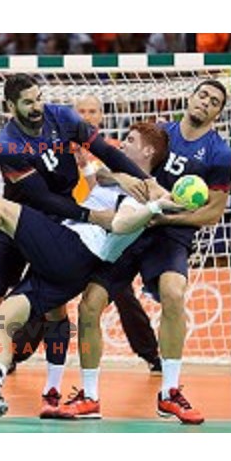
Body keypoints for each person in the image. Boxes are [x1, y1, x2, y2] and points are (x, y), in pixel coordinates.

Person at [0, 122, 175, 421]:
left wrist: (155, 207)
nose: (122, 145)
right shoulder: (119, 180)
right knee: (1, 320)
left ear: (148, 151)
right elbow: (102, 176)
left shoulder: (143, 195)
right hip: (70, 270)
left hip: (72, 247)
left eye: (130, 140)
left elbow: (122, 223)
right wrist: (118, 176)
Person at [0, 74, 151, 417]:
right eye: (28, 102)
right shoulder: (8, 144)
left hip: (60, 227)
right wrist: (93, 212)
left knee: (56, 311)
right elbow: (42, 197)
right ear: (11, 106)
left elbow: (104, 162)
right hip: (21, 224)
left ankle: (51, 390)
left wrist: (144, 182)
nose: (36, 105)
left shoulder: (66, 122)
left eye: (39, 97)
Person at [56, 80, 231, 424]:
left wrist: (166, 217)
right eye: (202, 95)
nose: (206, 102)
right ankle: (89, 396)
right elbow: (106, 173)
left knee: (173, 293)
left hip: (170, 236)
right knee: (89, 304)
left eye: (214, 101)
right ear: (191, 97)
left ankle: (169, 393)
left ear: (218, 113)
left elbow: (212, 213)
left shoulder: (220, 154)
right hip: (130, 226)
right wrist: (123, 181)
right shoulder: (159, 133)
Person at [74, 94, 162, 372]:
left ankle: (151, 354)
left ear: (101, 116)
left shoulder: (113, 149)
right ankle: (15, 354)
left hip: (106, 231)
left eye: (92, 111)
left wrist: (103, 172)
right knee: (48, 293)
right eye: (81, 111)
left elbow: (103, 185)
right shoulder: (60, 147)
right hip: (70, 227)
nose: (87, 116)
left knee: (123, 295)